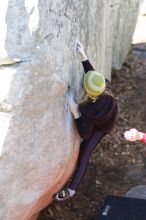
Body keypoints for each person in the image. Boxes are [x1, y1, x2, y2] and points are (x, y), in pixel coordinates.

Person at [55, 42, 118, 201]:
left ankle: (71, 190)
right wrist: (83, 55)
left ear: (89, 94)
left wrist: (75, 111)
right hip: (108, 117)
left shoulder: (89, 111)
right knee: (84, 153)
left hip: (102, 128)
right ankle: (72, 189)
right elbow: (93, 76)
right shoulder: (104, 85)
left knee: (84, 154)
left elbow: (85, 132)